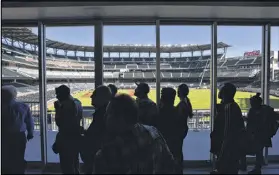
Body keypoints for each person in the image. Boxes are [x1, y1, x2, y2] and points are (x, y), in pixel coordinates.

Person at [93, 94, 176, 174]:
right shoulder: (154, 132)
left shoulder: (110, 150)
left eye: (108, 113)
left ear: (120, 118)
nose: (105, 116)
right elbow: (170, 164)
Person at [211, 83, 245, 174]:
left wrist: (221, 156)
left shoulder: (229, 108)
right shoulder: (229, 107)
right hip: (226, 150)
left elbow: (227, 134)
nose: (219, 91)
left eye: (221, 89)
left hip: (227, 151)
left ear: (225, 93)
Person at [1, 85, 34, 174]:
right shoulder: (23, 106)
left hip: (3, 137)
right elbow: (30, 122)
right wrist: (30, 133)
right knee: (19, 157)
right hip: (19, 136)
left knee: (4, 158)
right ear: (15, 95)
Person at [81, 85, 112, 174]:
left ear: (102, 97)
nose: (91, 96)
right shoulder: (106, 111)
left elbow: (96, 136)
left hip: (98, 158)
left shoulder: (102, 114)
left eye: (94, 95)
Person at [52, 85, 83, 174]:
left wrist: (57, 109)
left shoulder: (64, 105)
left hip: (66, 137)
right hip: (75, 135)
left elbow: (60, 123)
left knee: (66, 165)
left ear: (63, 94)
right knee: (75, 162)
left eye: (58, 94)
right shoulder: (77, 102)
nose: (57, 96)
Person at [246, 93, 278, 174]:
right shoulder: (263, 110)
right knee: (258, 151)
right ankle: (258, 166)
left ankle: (257, 168)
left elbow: (252, 122)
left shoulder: (261, 111)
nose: (251, 104)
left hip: (260, 135)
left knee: (258, 151)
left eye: (252, 103)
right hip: (260, 135)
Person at [156, 87, 186, 174]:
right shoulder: (178, 113)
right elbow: (184, 130)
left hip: (162, 151)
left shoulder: (158, 114)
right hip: (176, 148)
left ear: (162, 99)